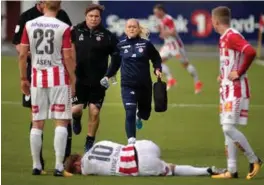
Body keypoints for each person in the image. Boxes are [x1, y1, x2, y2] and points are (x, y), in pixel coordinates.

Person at [12, 0, 73, 169]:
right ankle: (59, 166)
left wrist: (23, 79)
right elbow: (67, 56)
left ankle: (36, 165)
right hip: (58, 78)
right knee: (61, 121)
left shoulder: (29, 24)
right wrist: (73, 78)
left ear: (43, 5)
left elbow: (22, 55)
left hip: (36, 78)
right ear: (59, 7)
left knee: (37, 122)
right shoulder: (63, 26)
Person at [211, 6, 262, 179]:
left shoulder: (232, 35)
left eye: (212, 21)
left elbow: (250, 51)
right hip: (225, 90)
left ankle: (254, 159)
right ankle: (231, 170)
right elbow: (230, 61)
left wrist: (238, 73)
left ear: (216, 21)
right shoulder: (224, 38)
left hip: (236, 89)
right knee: (227, 129)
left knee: (228, 127)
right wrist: (223, 75)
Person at [100, 19, 162, 144]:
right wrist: (107, 76)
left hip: (145, 86)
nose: (132, 29)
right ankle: (131, 143)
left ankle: (140, 116)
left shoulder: (146, 44)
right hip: (127, 85)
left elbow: (156, 57)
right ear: (125, 29)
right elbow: (115, 64)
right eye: (129, 27)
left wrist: (157, 68)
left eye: (134, 27)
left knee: (145, 114)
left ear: (139, 29)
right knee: (129, 112)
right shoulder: (120, 45)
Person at [71, 4, 120, 151]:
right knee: (76, 110)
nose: (93, 19)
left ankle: (89, 142)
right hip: (78, 80)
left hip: (98, 81)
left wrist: (109, 76)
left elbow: (117, 57)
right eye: (91, 16)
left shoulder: (108, 36)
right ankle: (76, 119)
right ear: (86, 16)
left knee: (94, 111)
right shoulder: (75, 31)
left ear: (100, 18)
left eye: (96, 16)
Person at [64, 139, 225, 176]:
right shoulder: (98, 144)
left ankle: (207, 170)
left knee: (172, 169)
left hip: (140, 164)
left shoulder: (85, 167)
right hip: (144, 146)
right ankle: (208, 169)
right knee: (167, 164)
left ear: (77, 164)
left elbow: (82, 170)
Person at [153, 4, 203, 93]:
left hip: (176, 46)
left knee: (185, 65)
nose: (155, 14)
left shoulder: (168, 19)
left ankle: (197, 82)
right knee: (157, 62)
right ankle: (171, 80)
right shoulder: (160, 20)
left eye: (156, 12)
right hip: (168, 45)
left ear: (161, 11)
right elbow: (163, 32)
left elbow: (173, 32)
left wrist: (165, 33)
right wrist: (160, 31)